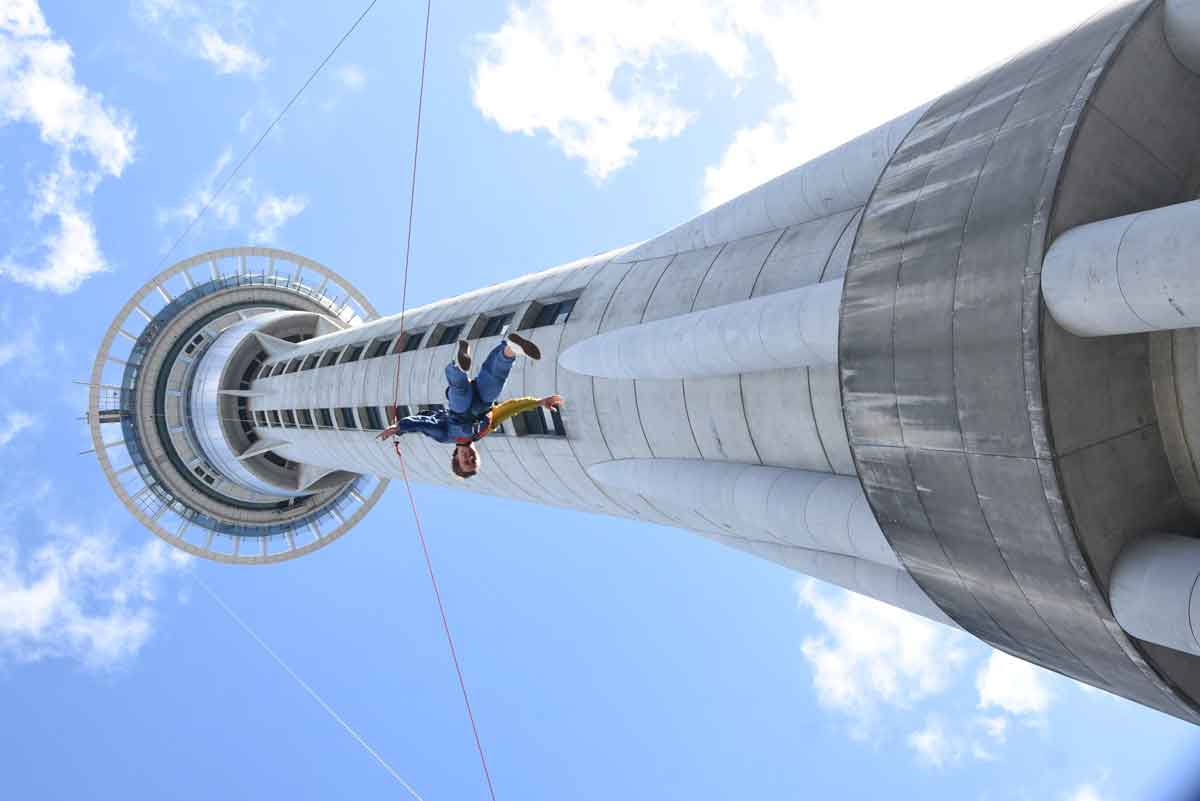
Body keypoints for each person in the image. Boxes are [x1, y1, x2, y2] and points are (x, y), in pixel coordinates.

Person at [377, 333, 564, 478]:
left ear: (456, 458)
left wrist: (400, 427)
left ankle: (458, 366)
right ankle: (511, 350)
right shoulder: (483, 430)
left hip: (458, 409)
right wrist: (538, 402)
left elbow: (424, 423)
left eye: (466, 461)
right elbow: (509, 409)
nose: (470, 457)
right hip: (483, 401)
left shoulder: (446, 436)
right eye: (474, 460)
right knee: (495, 381)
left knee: (459, 392)